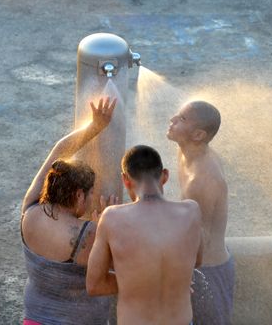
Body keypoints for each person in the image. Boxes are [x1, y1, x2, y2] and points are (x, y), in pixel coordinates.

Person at [21, 97, 118, 325]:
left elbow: (59, 152)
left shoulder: (30, 209)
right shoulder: (87, 234)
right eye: (91, 192)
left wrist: (94, 127)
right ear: (78, 195)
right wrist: (108, 224)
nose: (92, 198)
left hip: (34, 318)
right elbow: (120, 268)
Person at [87, 145, 204, 325]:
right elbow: (196, 260)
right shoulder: (192, 211)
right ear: (165, 175)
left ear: (125, 180)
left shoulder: (111, 218)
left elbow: (94, 285)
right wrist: (165, 279)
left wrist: (138, 279)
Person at [167, 101, 235, 324]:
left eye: (182, 119)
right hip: (198, 268)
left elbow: (200, 239)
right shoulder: (186, 151)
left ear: (198, 134)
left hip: (208, 273)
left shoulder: (203, 180)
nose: (172, 120)